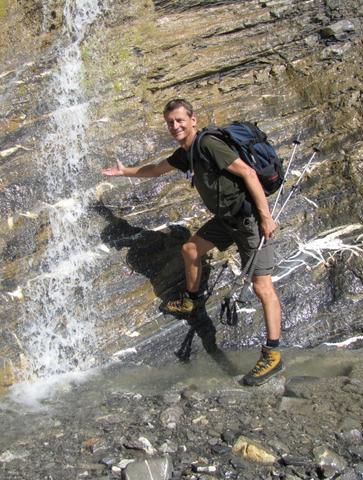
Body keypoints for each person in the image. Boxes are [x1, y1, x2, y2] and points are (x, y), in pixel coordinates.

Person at [102, 98, 283, 386]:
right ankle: (192, 301)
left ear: (193, 119)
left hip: (247, 220)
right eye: (170, 122)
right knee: (190, 248)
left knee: (263, 286)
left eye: (179, 120)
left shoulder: (208, 144)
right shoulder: (186, 153)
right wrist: (125, 172)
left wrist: (265, 216)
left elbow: (248, 173)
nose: (175, 126)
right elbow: (155, 169)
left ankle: (272, 354)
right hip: (226, 220)